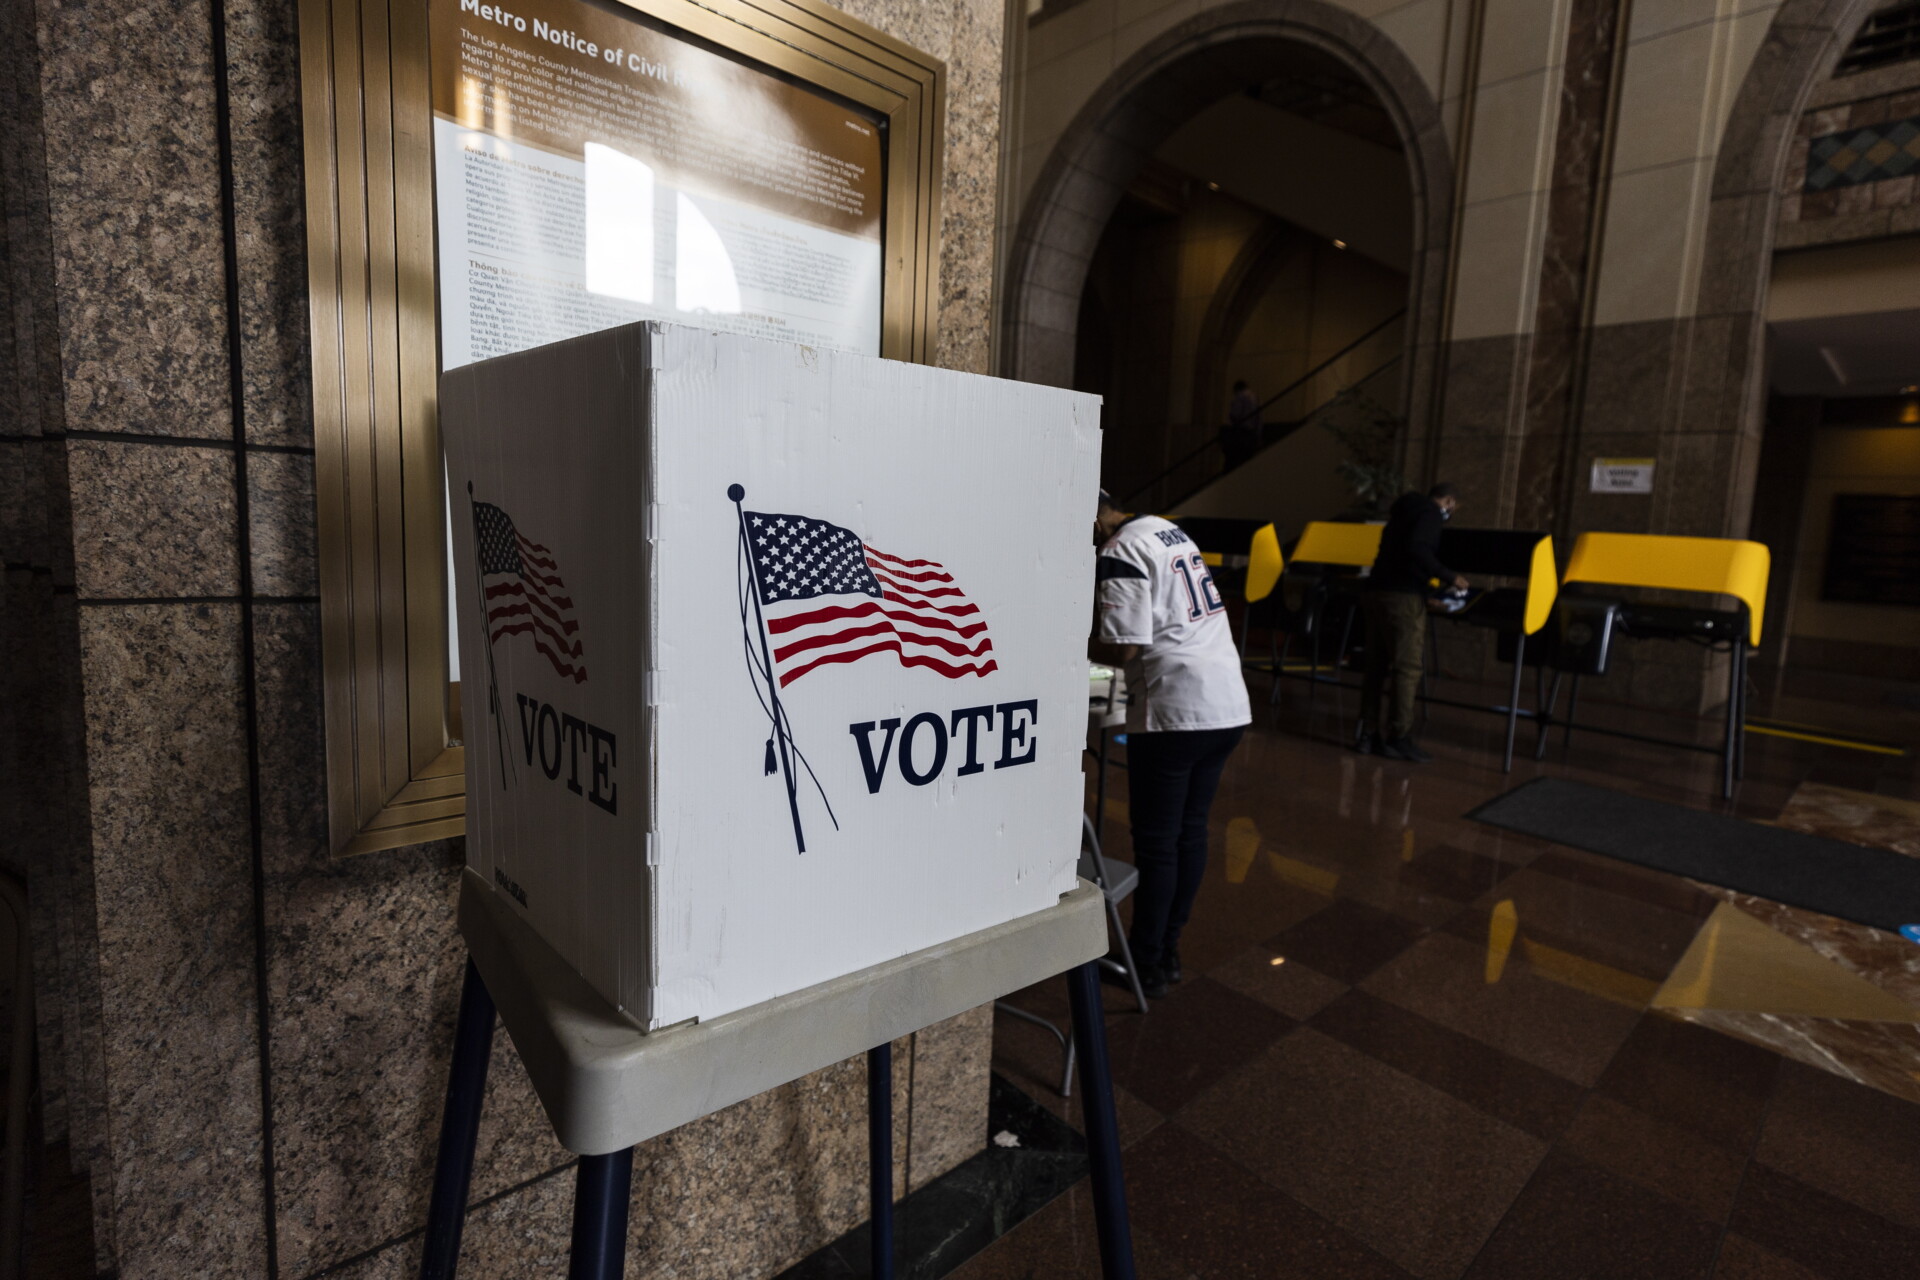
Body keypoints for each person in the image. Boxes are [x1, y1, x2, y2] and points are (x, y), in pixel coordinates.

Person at [1090, 489, 1251, 998]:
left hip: (1174, 711)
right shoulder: (1164, 527)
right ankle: (1169, 952)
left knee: (1158, 844)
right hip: (1225, 704)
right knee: (1190, 834)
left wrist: (1062, 636)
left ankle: (1145, 962)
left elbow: (1124, 647)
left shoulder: (1119, 550)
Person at [1356, 482, 1467, 763]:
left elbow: (1400, 556)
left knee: (1375, 667)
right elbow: (1418, 550)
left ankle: (1367, 735)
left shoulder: (1402, 513)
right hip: (1402, 599)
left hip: (1375, 592)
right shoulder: (1429, 514)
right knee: (1407, 669)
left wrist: (1426, 592)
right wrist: (1449, 576)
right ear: (1449, 501)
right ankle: (1399, 737)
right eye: (1453, 507)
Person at [1221, 380, 1261, 470]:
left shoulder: (1240, 396)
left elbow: (1235, 414)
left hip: (1241, 432)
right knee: (1247, 462)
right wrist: (1258, 435)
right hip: (1251, 433)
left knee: (1233, 460)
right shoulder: (1254, 397)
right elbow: (1259, 419)